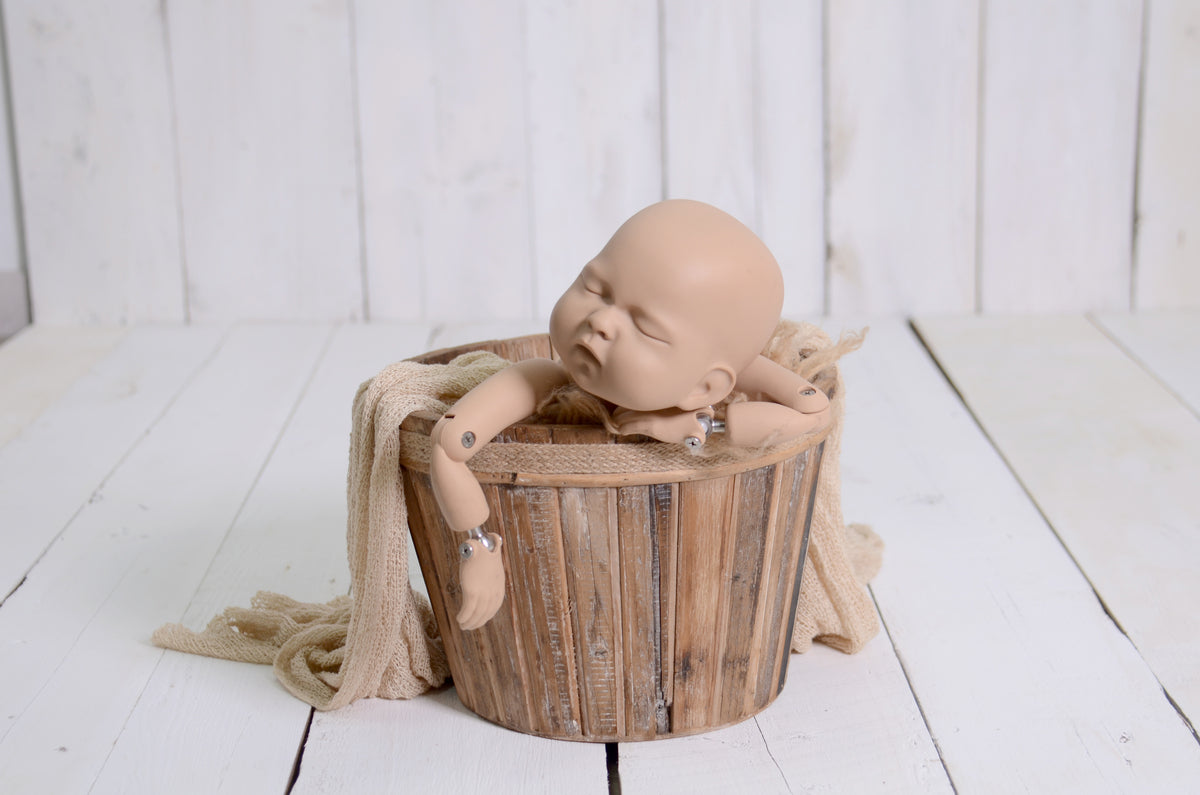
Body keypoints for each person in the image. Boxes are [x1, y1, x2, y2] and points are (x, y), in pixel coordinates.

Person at [430, 199, 830, 630]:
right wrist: (477, 546)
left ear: (706, 386)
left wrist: (704, 427)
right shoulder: (541, 381)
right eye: (595, 287)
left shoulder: (704, 384)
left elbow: (813, 409)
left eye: (646, 328)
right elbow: (449, 446)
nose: (601, 321)